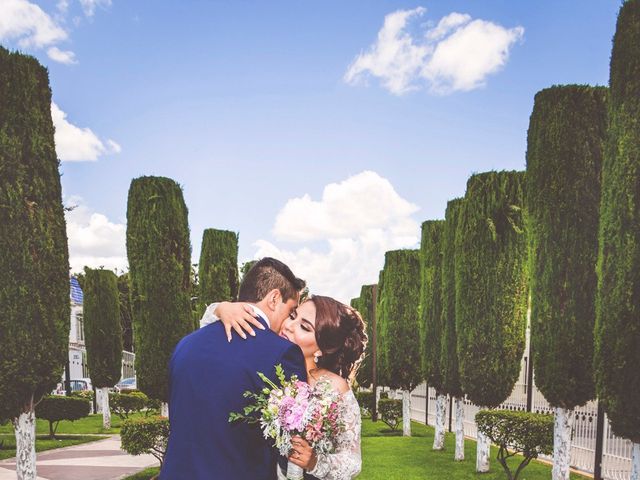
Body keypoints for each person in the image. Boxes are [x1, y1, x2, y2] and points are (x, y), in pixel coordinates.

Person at [161, 257, 307, 480]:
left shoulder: (186, 344)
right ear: (275, 298)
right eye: (290, 312)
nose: (286, 323)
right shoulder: (283, 353)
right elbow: (291, 439)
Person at [206, 294, 367, 480]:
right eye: (292, 316)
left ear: (320, 349)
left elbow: (353, 461)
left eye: (304, 327)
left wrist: (314, 462)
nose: (289, 326)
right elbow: (208, 324)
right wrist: (223, 308)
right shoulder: (265, 365)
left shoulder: (333, 387)